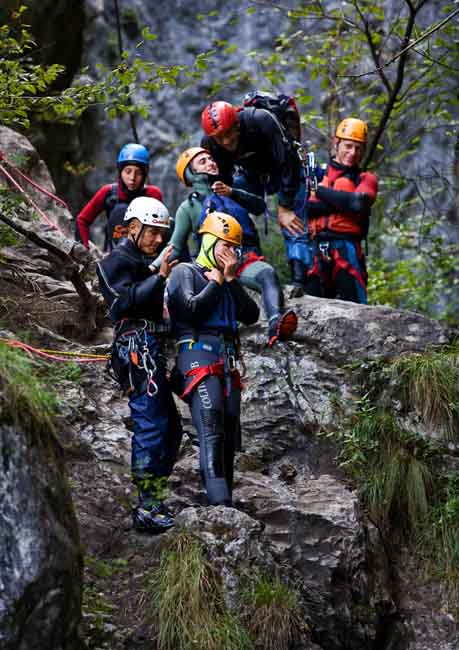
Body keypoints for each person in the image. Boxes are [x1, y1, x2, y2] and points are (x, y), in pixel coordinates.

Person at [96, 196, 182, 534]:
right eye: (153, 232)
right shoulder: (116, 261)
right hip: (136, 350)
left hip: (147, 349)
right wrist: (160, 276)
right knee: (151, 423)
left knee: (171, 428)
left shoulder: (135, 262)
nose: (158, 239)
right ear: (133, 228)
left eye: (162, 234)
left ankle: (155, 498)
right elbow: (122, 304)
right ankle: (146, 506)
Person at [153, 146, 297, 346]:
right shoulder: (188, 208)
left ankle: (275, 323)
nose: (210, 163)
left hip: (243, 258)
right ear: (190, 173)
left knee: (266, 274)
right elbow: (175, 246)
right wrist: (152, 268)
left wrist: (233, 193)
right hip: (209, 266)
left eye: (210, 158)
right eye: (202, 161)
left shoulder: (232, 189)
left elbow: (259, 206)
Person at [167, 212, 259, 506]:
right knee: (211, 428)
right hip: (196, 355)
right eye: (224, 244)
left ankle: (226, 501)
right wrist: (217, 282)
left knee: (229, 435)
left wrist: (229, 280)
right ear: (208, 241)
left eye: (234, 246)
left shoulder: (227, 280)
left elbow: (251, 315)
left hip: (227, 362)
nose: (229, 252)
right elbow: (190, 310)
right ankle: (220, 504)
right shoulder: (185, 272)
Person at [200, 101, 305, 240]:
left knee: (293, 224)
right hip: (252, 174)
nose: (225, 141)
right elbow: (220, 183)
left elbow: (288, 160)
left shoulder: (260, 120)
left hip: (286, 171)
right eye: (219, 137)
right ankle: (247, 247)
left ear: (236, 125)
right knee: (222, 202)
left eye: (228, 133)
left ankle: (300, 255)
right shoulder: (210, 143)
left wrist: (285, 206)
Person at [304, 118, 378, 304]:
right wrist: (341, 203)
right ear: (336, 144)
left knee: (355, 308)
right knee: (313, 308)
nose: (353, 153)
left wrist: (319, 191)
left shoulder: (366, 179)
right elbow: (303, 208)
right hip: (316, 249)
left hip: (347, 249)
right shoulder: (317, 174)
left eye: (358, 148)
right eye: (348, 146)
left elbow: (357, 204)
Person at [76, 143, 163, 251]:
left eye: (139, 173)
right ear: (120, 172)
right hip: (117, 251)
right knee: (120, 210)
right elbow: (82, 220)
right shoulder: (109, 192)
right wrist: (84, 250)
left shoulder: (153, 194)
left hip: (145, 252)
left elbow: (160, 229)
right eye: (128, 171)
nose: (132, 178)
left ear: (145, 175)